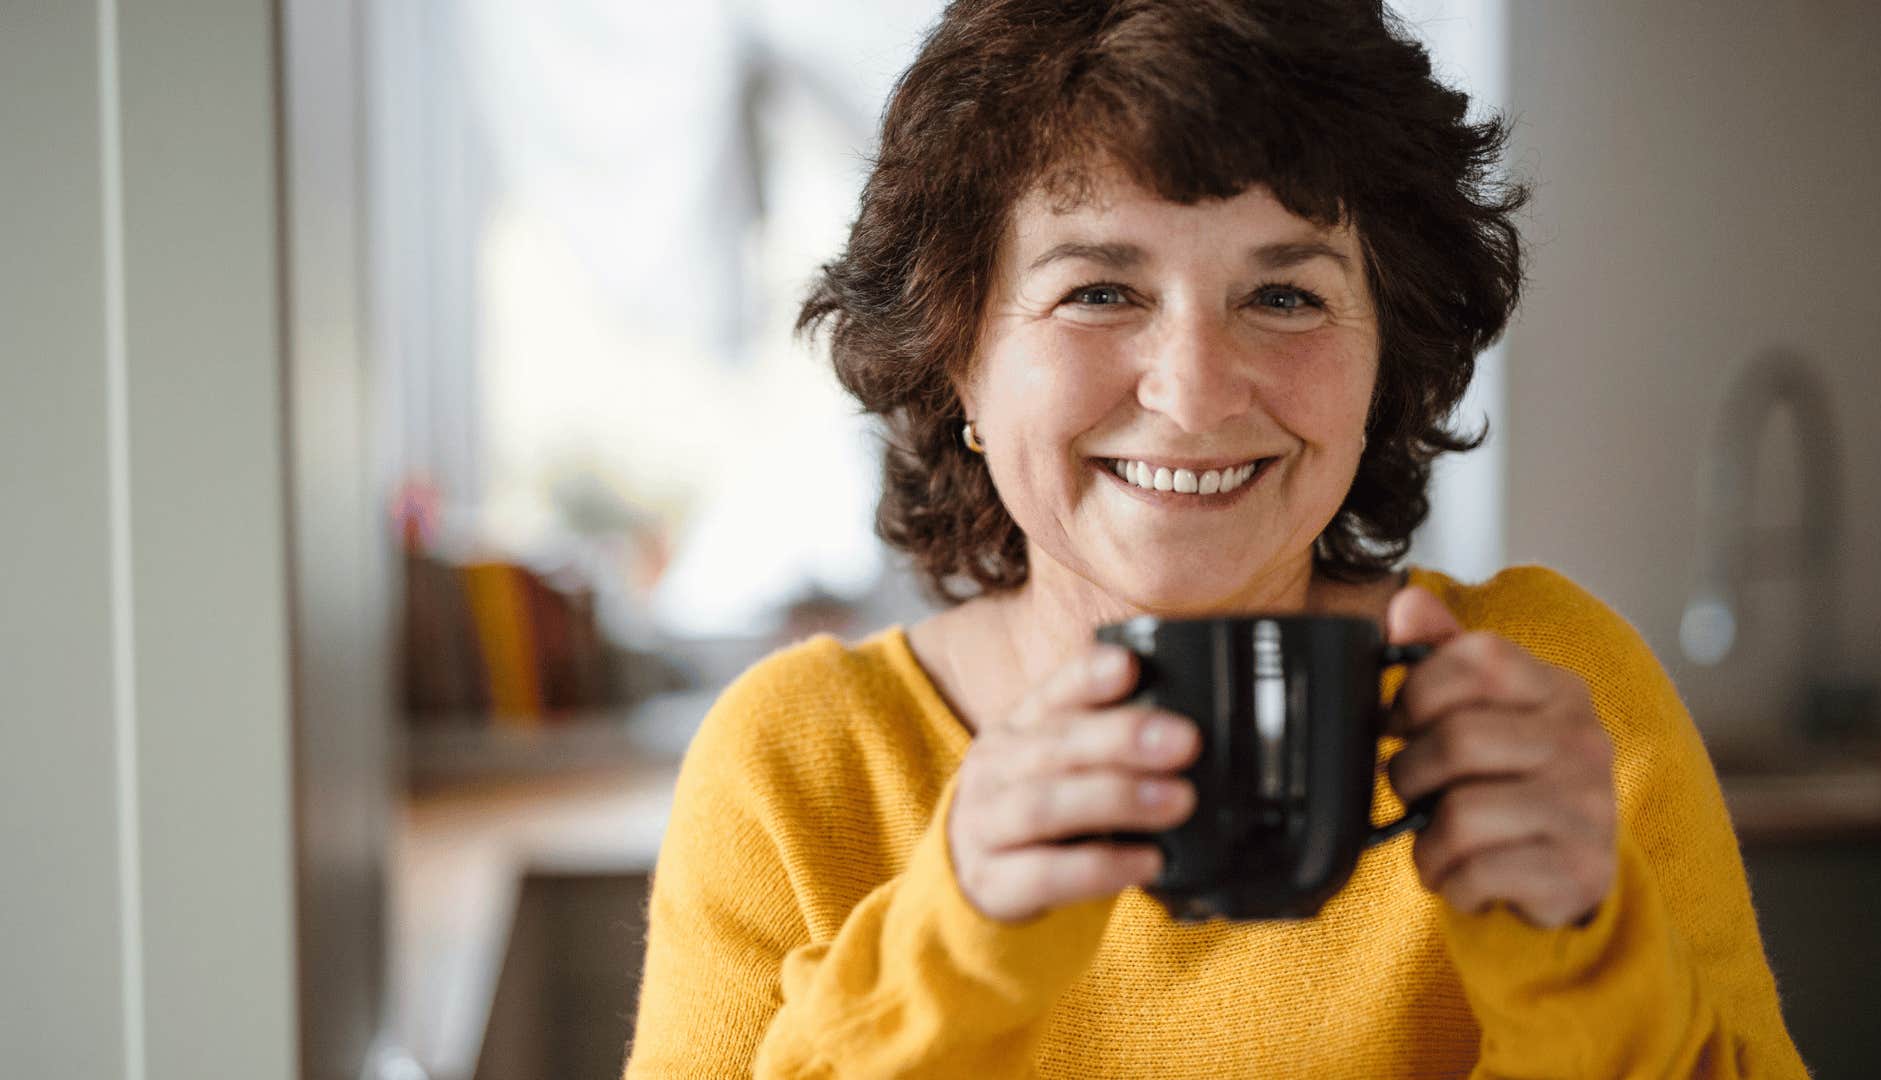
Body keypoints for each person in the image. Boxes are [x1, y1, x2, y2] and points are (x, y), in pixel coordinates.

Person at [625, 1, 1806, 1075]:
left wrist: (1580, 960)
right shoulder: (794, 773)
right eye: (1098, 290)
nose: (1195, 393)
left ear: (1385, 356)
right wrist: (950, 947)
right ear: (960, 360)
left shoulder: (1552, 701)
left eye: (1285, 295)